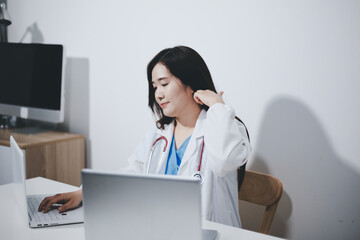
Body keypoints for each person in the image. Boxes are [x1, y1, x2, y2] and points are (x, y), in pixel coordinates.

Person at [38, 46, 251, 228]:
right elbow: (131, 176)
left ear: (191, 83)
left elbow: (224, 162)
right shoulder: (159, 136)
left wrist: (218, 107)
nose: (158, 94)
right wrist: (84, 193)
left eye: (164, 84)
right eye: (154, 86)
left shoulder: (228, 127)